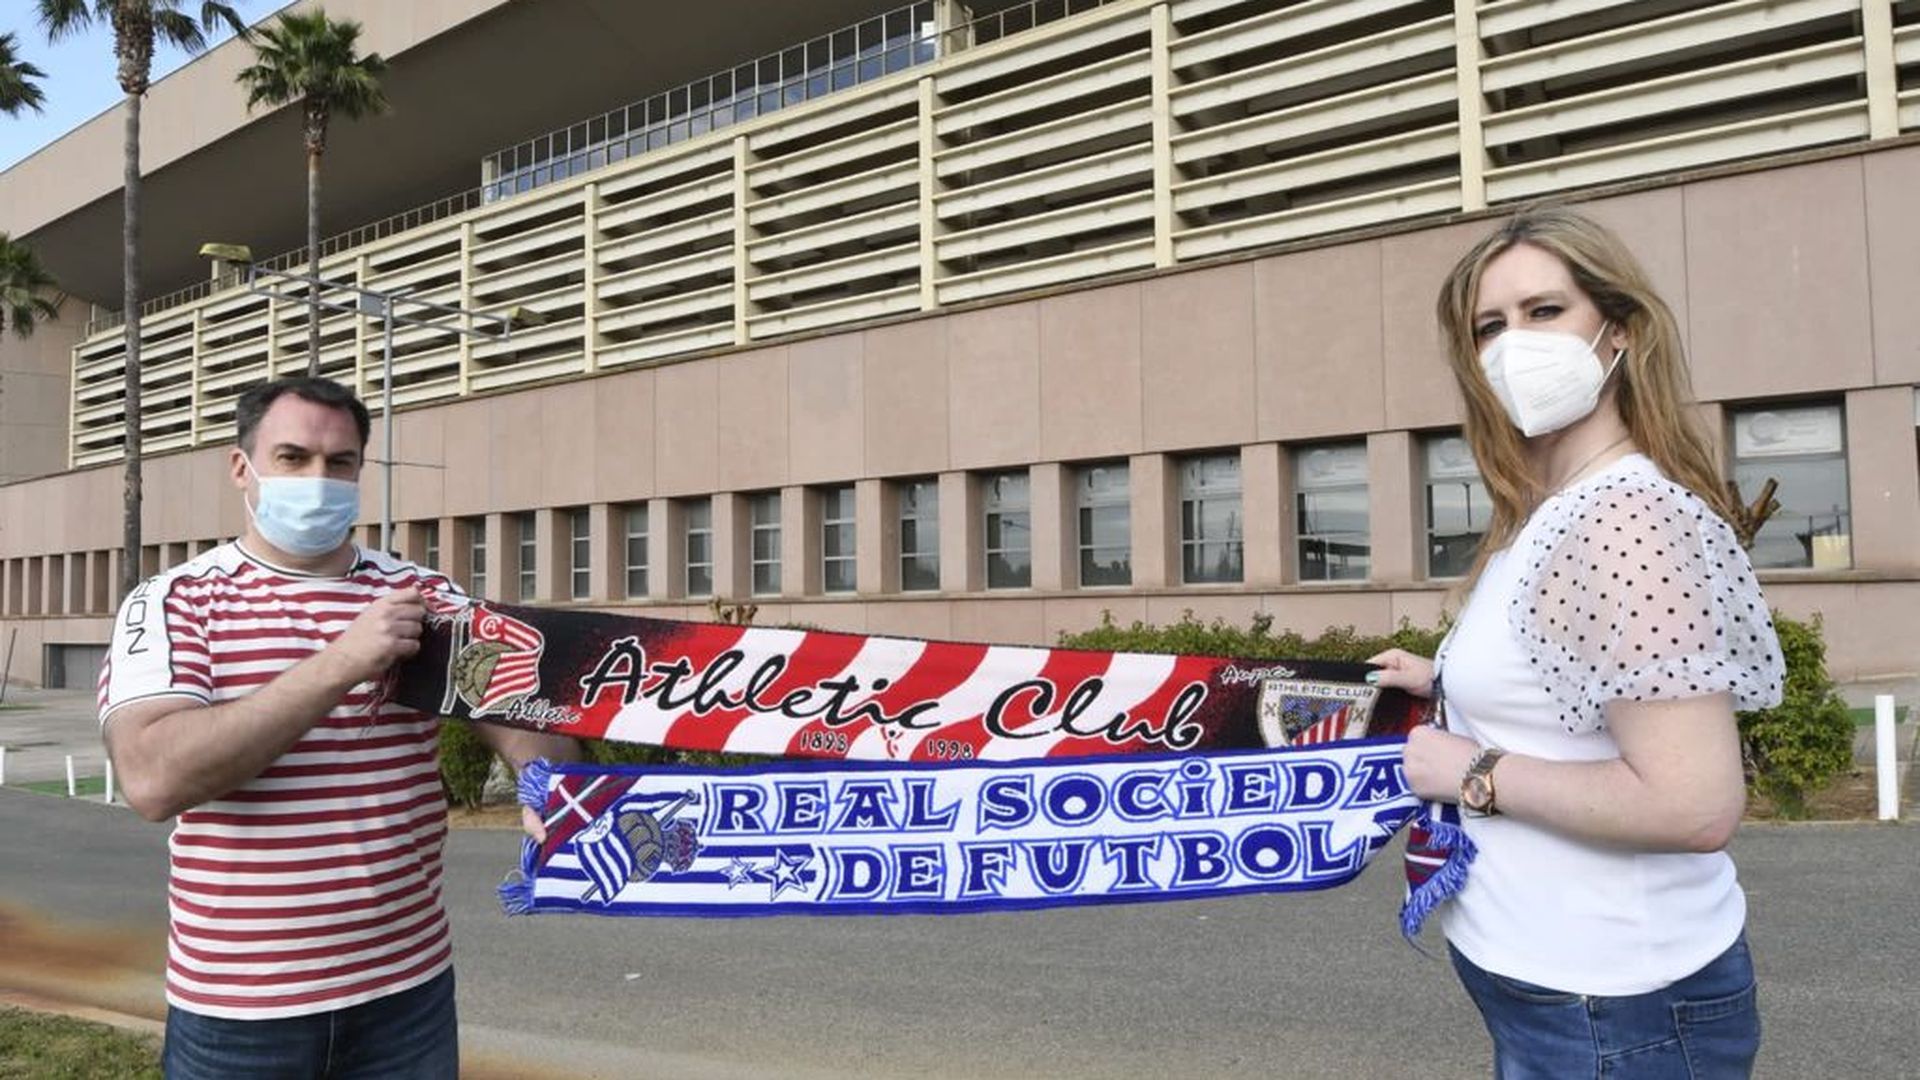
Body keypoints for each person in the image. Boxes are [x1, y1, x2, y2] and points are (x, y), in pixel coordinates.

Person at [1367, 207, 1784, 1078]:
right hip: (1564, 999)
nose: (1513, 345)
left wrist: (1470, 771)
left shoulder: (1625, 517)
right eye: (1489, 326)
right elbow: (1579, 683)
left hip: (1618, 1013)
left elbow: (1694, 806)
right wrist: (1445, 681)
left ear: (1619, 329)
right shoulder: (1549, 512)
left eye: (1545, 311)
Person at [99, 376, 579, 1078]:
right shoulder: (178, 602)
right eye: (293, 458)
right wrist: (344, 661)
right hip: (240, 1009)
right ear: (242, 467)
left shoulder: (427, 597)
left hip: (406, 993)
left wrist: (546, 780)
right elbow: (152, 779)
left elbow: (526, 731)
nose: (318, 480)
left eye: (340, 462)